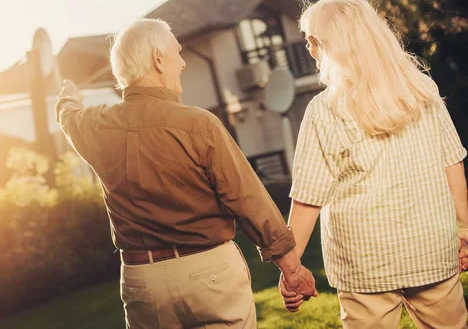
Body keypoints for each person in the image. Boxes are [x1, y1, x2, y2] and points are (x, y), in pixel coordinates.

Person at [56, 18, 317, 328]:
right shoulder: (198, 125)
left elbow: (67, 116)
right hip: (210, 274)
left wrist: (68, 97)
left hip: (143, 281)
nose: (181, 62)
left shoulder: (94, 125)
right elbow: (247, 198)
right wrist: (291, 268)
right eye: (177, 52)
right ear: (157, 60)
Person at [280, 0, 468, 328]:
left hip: (364, 262)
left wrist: (291, 268)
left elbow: (308, 197)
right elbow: (452, 165)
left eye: (312, 41)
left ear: (329, 45)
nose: (309, 49)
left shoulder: (325, 111)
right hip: (433, 248)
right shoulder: (422, 89)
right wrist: (465, 229)